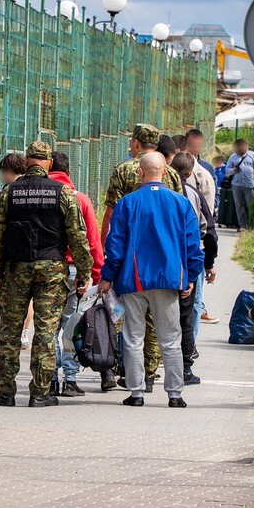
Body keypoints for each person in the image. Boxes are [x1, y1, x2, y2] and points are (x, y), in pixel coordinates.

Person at [0, 141, 93, 408]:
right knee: (46, 331)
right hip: (52, 270)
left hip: (16, 269)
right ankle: (40, 392)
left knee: (10, 331)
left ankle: (5, 392)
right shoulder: (63, 193)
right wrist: (84, 272)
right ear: (49, 163)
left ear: (26, 161)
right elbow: (77, 237)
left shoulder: (9, 193)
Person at [99, 152, 204, 408]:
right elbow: (193, 243)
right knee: (170, 338)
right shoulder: (181, 203)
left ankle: (136, 392)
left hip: (133, 281)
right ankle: (175, 394)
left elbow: (115, 245)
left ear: (140, 173)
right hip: (168, 280)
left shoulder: (127, 203)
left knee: (133, 337)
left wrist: (107, 276)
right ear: (165, 172)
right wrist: (191, 276)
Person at [102, 124, 183, 392]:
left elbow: (112, 216)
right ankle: (155, 377)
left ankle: (132, 383)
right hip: (167, 268)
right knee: (165, 332)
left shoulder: (123, 172)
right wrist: (189, 272)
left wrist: (106, 265)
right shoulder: (172, 175)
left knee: (131, 330)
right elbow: (184, 226)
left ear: (136, 143)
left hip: (132, 267)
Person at [47, 151, 106, 396]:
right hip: (75, 271)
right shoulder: (80, 199)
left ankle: (49, 378)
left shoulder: (41, 195)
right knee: (72, 325)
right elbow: (92, 241)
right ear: (69, 172)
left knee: (49, 327)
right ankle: (70, 380)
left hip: (47, 269)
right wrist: (97, 274)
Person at [170, 153, 218, 386]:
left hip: (157, 263)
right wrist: (209, 263)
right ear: (189, 173)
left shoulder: (148, 193)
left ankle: (144, 372)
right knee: (187, 314)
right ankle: (185, 368)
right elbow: (208, 231)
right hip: (187, 261)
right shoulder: (193, 194)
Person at [0, 152, 33, 350]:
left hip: (11, 256)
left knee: (10, 301)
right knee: (28, 298)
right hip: (32, 253)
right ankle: (24, 333)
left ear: (8, 171)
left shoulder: (8, 192)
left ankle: (10, 337)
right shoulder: (33, 188)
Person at [225, 139, 254, 232]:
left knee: (251, 205)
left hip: (249, 184)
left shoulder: (253, 155)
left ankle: (252, 224)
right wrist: (233, 170)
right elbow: (227, 171)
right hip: (236, 185)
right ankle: (243, 225)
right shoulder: (232, 157)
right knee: (239, 206)